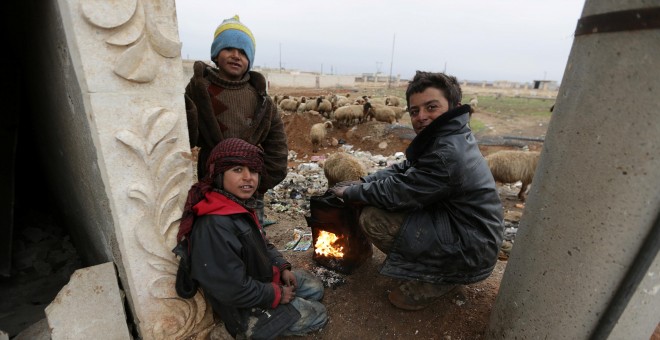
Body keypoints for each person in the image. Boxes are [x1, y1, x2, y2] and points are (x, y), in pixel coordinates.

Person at [329, 71, 504, 311]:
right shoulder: (447, 137)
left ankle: (441, 278)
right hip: (467, 232)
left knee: (374, 218)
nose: (421, 117)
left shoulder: (447, 153)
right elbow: (404, 168)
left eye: (431, 107)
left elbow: (398, 193)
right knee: (373, 198)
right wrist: (364, 182)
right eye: (414, 111)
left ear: (454, 106)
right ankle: (432, 266)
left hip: (470, 249)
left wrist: (351, 193)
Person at [177, 138, 327, 339]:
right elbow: (231, 288)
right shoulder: (214, 225)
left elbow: (261, 243)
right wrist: (276, 294)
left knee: (315, 288)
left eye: (253, 171)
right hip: (243, 304)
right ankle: (243, 330)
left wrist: (281, 266)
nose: (248, 177)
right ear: (219, 174)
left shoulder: (237, 206)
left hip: (261, 278)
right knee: (318, 313)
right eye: (238, 170)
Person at [184, 15, 288, 226]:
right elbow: (187, 135)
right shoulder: (199, 91)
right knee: (216, 232)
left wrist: (260, 183)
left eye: (243, 52)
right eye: (228, 48)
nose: (235, 55)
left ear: (249, 59)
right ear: (215, 53)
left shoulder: (261, 100)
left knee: (252, 234)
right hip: (213, 184)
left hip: (250, 188)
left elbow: (277, 147)